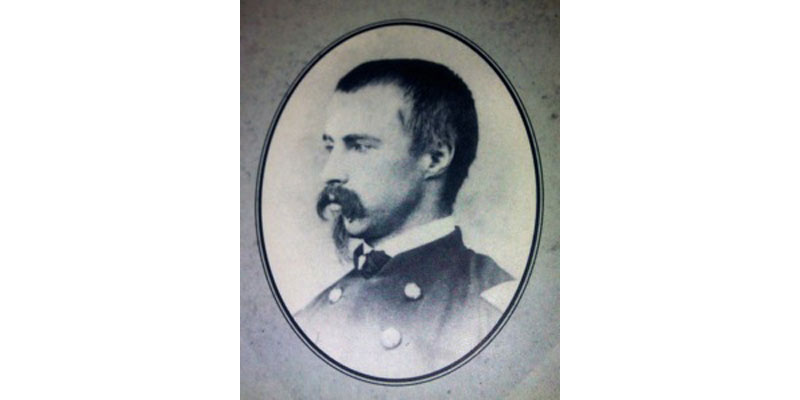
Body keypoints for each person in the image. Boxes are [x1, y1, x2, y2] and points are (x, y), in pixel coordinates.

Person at [294, 59, 516, 378]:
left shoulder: (494, 309)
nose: (329, 173)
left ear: (435, 157)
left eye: (358, 147)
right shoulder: (308, 317)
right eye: (330, 147)